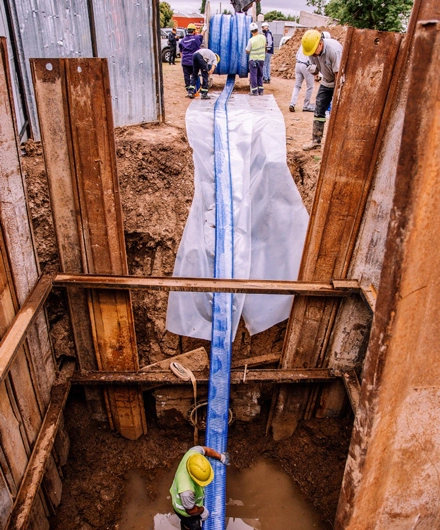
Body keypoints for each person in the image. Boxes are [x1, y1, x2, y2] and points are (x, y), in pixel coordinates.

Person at [170, 445, 230, 530]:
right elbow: (190, 511)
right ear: (194, 478)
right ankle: (186, 526)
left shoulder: (193, 454)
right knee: (193, 526)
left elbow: (206, 450)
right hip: (184, 510)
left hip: (190, 501)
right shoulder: (186, 491)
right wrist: (202, 510)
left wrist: (221, 457)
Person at [301, 29, 342, 151]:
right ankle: (316, 141)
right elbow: (316, 70)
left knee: (337, 112)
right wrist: (314, 71)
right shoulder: (313, 52)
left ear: (320, 43)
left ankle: (336, 144)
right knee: (319, 109)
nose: (313, 54)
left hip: (339, 81)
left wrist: (337, 94)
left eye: (314, 52)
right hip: (327, 81)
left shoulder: (334, 50)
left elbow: (338, 75)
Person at [179, 23, 206, 97]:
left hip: (185, 61)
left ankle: (189, 92)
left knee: (186, 76)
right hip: (193, 61)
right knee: (194, 76)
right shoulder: (196, 38)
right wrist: (204, 29)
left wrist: (183, 60)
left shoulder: (182, 40)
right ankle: (194, 90)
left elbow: (181, 52)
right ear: (194, 31)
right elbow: (201, 36)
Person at [289, 44, 315, 113]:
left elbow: (297, 55)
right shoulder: (314, 44)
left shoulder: (304, 43)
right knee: (310, 86)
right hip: (306, 65)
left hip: (298, 64)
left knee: (297, 86)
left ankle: (292, 103)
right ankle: (306, 106)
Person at [246, 22, 266, 96]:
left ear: (251, 31)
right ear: (257, 29)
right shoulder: (263, 37)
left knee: (253, 75)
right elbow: (265, 45)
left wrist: (247, 51)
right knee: (260, 75)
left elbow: (247, 50)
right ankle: (261, 90)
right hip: (261, 60)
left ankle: (254, 91)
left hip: (253, 60)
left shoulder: (251, 40)